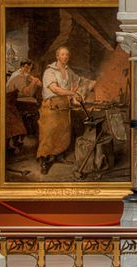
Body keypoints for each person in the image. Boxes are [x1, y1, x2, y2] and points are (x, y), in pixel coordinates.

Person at [36, 47, 96, 175]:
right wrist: (73, 93)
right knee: (49, 132)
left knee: (64, 131)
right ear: (57, 56)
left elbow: (78, 80)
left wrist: (92, 83)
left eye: (67, 55)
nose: (66, 57)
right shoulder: (49, 71)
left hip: (64, 104)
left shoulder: (69, 71)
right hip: (51, 105)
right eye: (63, 54)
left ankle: (59, 156)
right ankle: (44, 160)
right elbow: (55, 89)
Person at [4, 61, 41, 152]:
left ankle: (13, 143)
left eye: (30, 68)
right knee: (15, 125)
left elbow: (31, 78)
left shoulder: (20, 73)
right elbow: (27, 92)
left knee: (15, 124)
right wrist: (34, 82)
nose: (28, 70)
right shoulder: (18, 77)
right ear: (22, 67)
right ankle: (8, 146)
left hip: (10, 101)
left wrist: (35, 80)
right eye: (26, 67)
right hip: (7, 102)